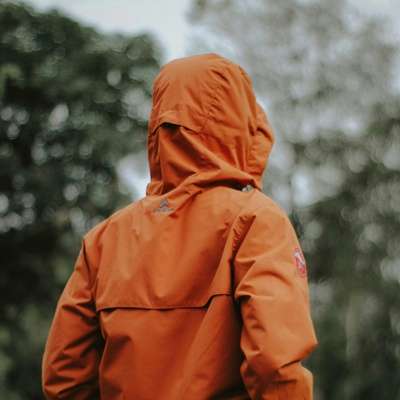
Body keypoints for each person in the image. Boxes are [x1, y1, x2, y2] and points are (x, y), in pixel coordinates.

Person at [42, 53, 318, 400]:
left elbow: (64, 376)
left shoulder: (105, 238)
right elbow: (276, 367)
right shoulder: (256, 222)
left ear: (159, 124)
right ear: (243, 125)